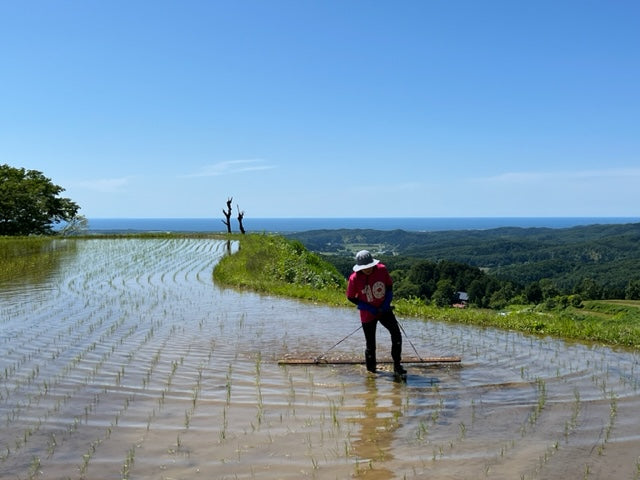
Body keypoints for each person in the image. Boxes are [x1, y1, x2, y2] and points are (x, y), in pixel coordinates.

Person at [346, 250, 406, 375]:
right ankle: (371, 371)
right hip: (368, 313)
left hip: (384, 310)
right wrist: (368, 307)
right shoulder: (354, 278)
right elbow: (351, 297)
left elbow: (389, 287)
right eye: (365, 268)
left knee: (396, 335)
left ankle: (397, 365)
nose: (368, 269)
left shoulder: (382, 269)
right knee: (370, 343)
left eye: (369, 267)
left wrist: (386, 303)